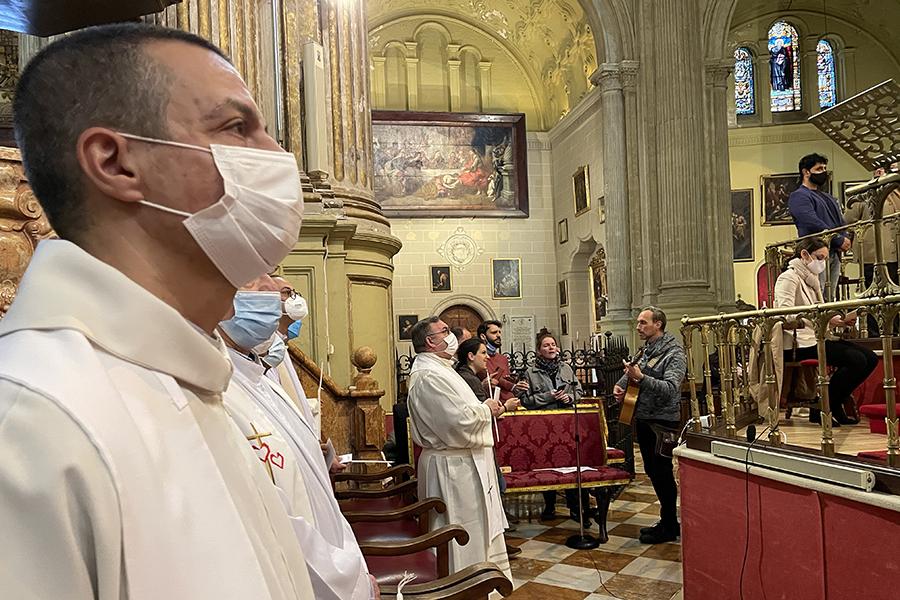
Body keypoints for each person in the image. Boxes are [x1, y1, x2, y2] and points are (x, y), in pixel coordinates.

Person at [0, 24, 314, 598]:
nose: (277, 157)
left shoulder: (209, 383)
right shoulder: (30, 423)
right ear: (116, 163)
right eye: (236, 128)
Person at [220, 275, 376, 600]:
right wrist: (354, 584)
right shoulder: (221, 390)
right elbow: (279, 523)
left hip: (337, 568)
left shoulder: (259, 377)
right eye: (252, 273)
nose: (269, 290)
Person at [406, 317, 512, 581]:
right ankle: (462, 585)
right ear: (431, 341)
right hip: (451, 468)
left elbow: (461, 412)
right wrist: (486, 409)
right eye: (444, 331)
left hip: (462, 462)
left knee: (475, 531)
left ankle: (481, 583)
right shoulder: (428, 375)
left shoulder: (441, 368)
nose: (452, 336)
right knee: (460, 533)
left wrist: (483, 408)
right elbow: (457, 422)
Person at [773, 237, 877, 426]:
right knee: (856, 360)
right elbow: (784, 314)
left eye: (825, 258)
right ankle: (826, 407)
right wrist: (818, 319)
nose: (822, 263)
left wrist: (838, 321)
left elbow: (818, 314)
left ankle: (830, 404)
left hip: (816, 337)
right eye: (819, 257)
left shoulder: (810, 280)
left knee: (870, 358)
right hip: (799, 343)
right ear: (804, 255)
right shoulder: (788, 277)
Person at [613, 307, 686, 544]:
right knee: (653, 472)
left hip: (662, 421)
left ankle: (669, 524)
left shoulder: (674, 354)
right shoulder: (646, 350)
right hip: (643, 417)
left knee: (662, 472)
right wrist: (621, 384)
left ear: (659, 324)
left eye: (643, 323)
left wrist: (642, 378)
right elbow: (634, 371)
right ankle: (667, 521)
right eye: (638, 323)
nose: (638, 327)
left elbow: (671, 389)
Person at [454, 337, 521, 556]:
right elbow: (483, 413)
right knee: (495, 489)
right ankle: (499, 541)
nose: (487, 357)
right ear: (470, 356)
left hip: (477, 441)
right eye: (483, 353)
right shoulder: (469, 379)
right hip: (479, 442)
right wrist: (507, 407)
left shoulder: (469, 377)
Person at [516, 331, 588, 524]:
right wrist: (549, 396)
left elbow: (578, 389)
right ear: (539, 350)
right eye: (546, 345)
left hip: (565, 422)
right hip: (544, 424)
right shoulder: (530, 373)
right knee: (547, 464)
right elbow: (525, 401)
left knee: (570, 464)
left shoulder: (566, 368)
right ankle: (549, 505)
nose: (551, 348)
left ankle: (575, 507)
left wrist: (569, 397)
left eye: (553, 345)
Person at [843, 161, 900, 334]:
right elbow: (848, 221)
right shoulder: (866, 192)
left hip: (895, 254)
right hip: (873, 254)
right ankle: (877, 332)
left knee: (895, 295)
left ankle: (895, 330)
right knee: (874, 295)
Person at [788, 153, 850, 301]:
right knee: (817, 294)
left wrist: (846, 237)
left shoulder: (828, 197)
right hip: (814, 252)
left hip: (833, 252)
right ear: (806, 172)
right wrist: (838, 240)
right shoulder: (799, 196)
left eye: (824, 168)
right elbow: (811, 222)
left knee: (830, 296)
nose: (823, 172)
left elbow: (841, 221)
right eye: (819, 169)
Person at [268, 275, 320, 436]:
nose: (294, 298)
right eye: (286, 293)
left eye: (294, 293)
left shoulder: (280, 345)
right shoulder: (268, 349)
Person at [477, 319, 521, 402]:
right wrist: (512, 386)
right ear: (483, 336)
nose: (498, 335)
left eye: (499, 332)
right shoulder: (479, 358)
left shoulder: (503, 359)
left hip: (509, 402)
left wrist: (514, 380)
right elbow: (490, 377)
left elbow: (505, 379)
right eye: (494, 333)